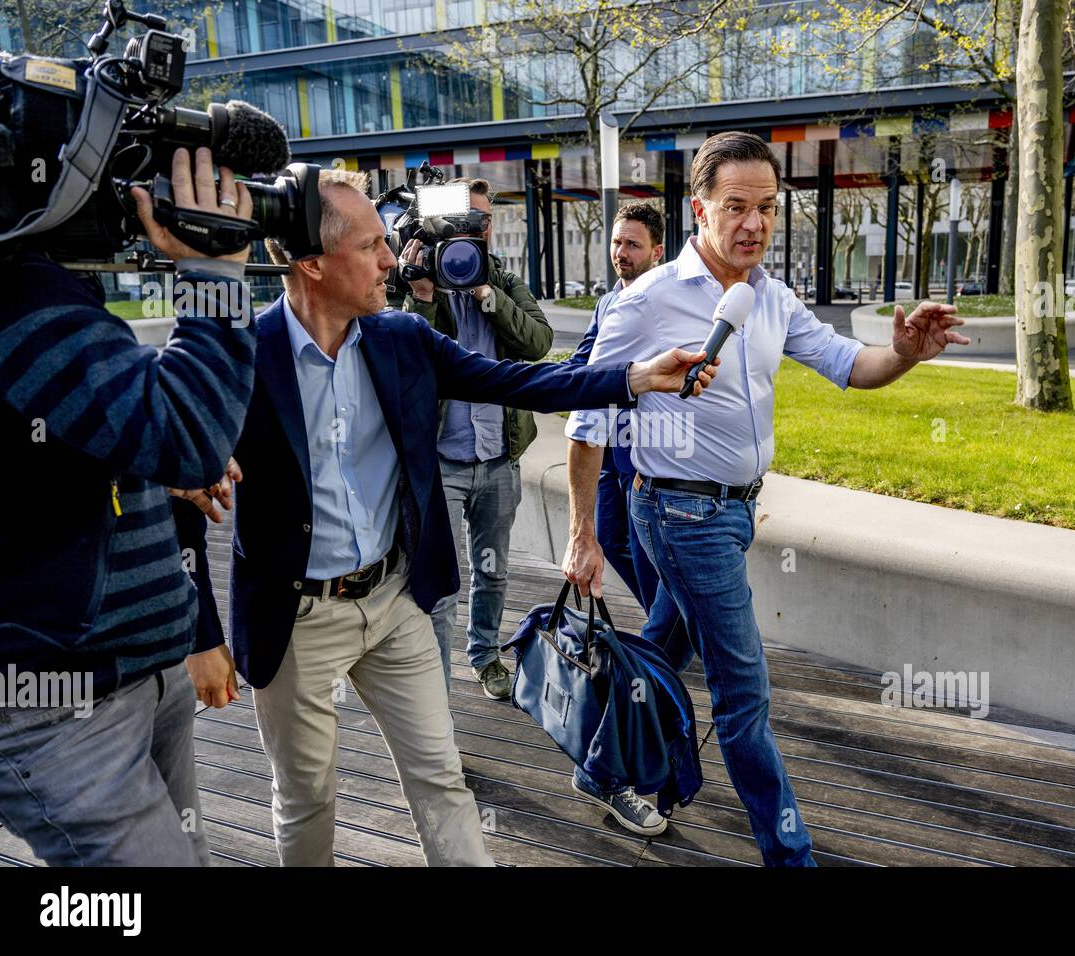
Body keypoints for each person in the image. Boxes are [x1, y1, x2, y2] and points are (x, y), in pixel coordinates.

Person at [177, 169, 717, 866]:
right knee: (306, 799)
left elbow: (523, 379)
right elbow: (178, 486)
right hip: (296, 621)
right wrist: (201, 636)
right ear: (312, 264)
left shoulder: (403, 338)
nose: (391, 260)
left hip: (398, 602)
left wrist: (637, 377)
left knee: (441, 781)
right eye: (372, 246)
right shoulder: (243, 359)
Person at [565, 131, 969, 866]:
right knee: (745, 696)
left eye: (768, 207)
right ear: (699, 210)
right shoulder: (648, 299)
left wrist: (906, 353)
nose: (754, 223)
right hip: (679, 514)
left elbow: (852, 364)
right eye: (737, 207)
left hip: (735, 510)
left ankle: (598, 767)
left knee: (661, 645)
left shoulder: (772, 296)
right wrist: (582, 533)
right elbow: (588, 419)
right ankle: (791, 856)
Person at [0, 147, 257, 865]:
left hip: (136, 672)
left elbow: (66, 451)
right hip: (51, 706)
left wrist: (156, 471)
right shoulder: (13, 295)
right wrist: (216, 274)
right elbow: (189, 436)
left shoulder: (38, 287)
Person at [559, 201, 687, 835]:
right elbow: (582, 371)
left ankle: (622, 744)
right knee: (670, 614)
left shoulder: (670, 304)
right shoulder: (611, 306)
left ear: (657, 250)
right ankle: (647, 691)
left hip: (661, 479)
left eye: (633, 245)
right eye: (616, 243)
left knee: (673, 619)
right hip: (615, 473)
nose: (621, 253)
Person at [396, 179, 548, 699]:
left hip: (499, 456)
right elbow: (409, 366)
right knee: (440, 586)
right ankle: (436, 696)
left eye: (479, 222)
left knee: (495, 571)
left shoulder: (501, 277)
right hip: (442, 460)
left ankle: (485, 656)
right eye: (458, 222)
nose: (470, 231)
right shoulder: (415, 284)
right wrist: (423, 298)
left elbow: (538, 341)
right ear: (434, 225)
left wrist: (487, 294)